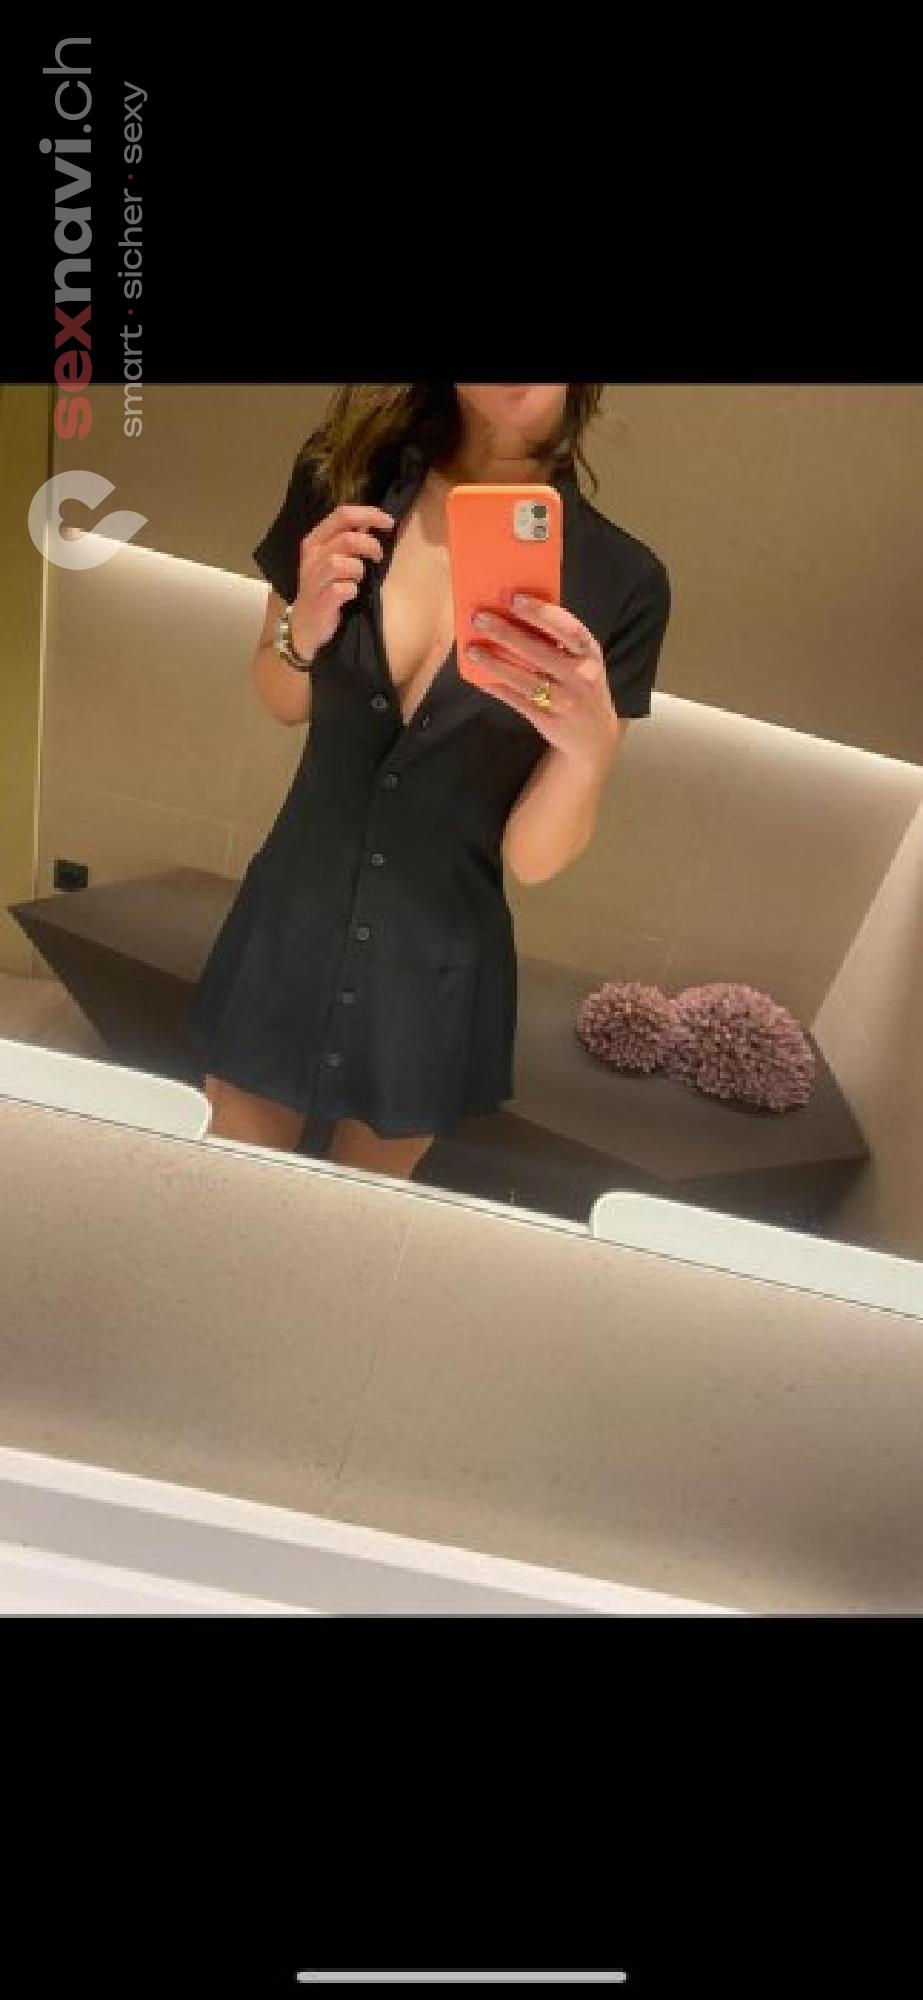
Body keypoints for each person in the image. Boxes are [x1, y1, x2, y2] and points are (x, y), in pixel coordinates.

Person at [185, 384, 671, 1180]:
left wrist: (588, 754)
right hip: (290, 921)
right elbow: (281, 698)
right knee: (227, 1191)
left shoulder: (621, 581)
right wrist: (303, 627)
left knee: (358, 1222)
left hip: (432, 968)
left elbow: (532, 858)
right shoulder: (342, 481)